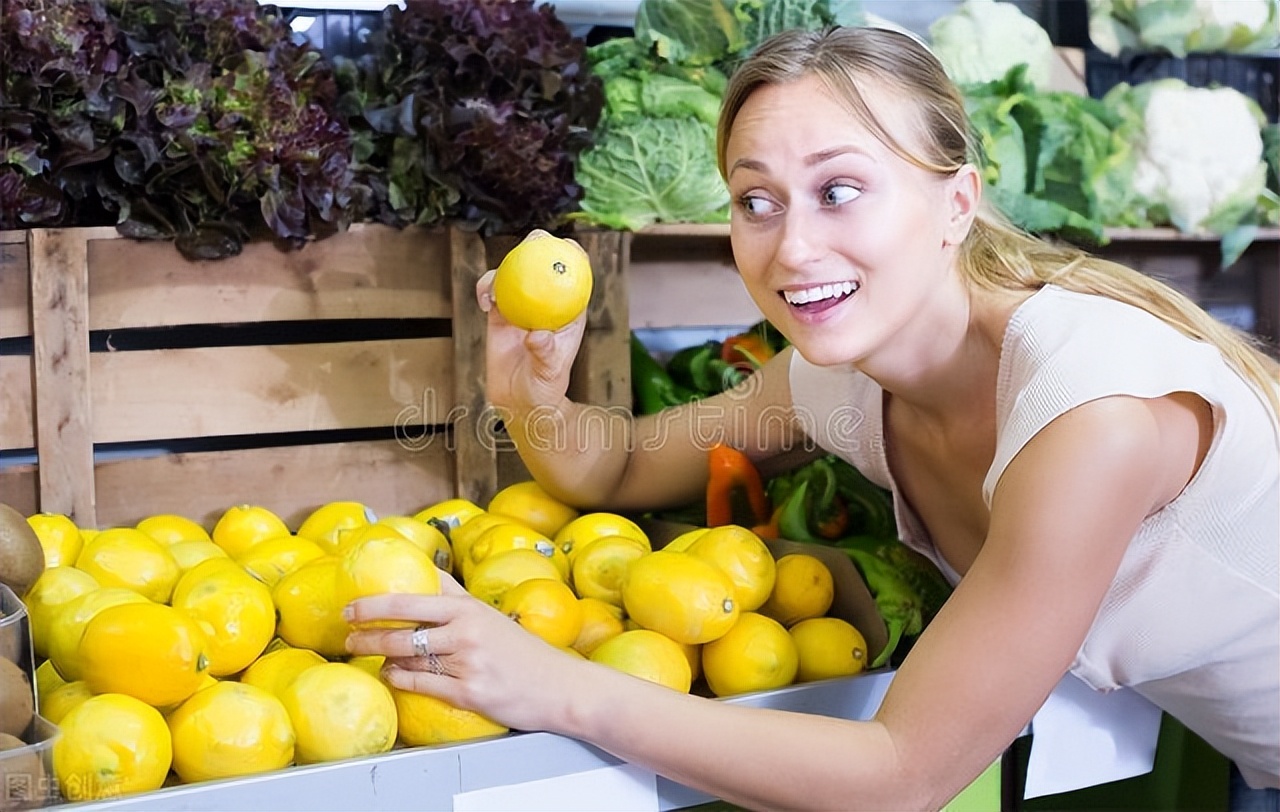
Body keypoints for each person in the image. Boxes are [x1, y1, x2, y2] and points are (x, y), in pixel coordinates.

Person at [345, 26, 1280, 810]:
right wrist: (528, 394)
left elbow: (902, 777)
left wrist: (554, 687)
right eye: (758, 201)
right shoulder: (843, 381)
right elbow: (621, 468)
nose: (792, 247)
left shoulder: (1093, 416)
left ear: (957, 202)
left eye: (839, 190)